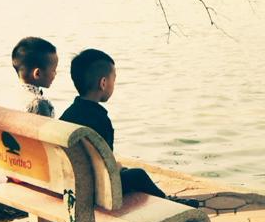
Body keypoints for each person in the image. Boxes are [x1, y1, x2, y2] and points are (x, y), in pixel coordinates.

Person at [59, 48, 195, 204]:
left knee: (127, 173)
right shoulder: (100, 119)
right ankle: (170, 203)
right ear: (103, 83)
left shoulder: (67, 114)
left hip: (69, 185)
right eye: (113, 80)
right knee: (137, 175)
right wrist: (118, 169)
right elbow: (106, 167)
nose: (113, 84)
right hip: (95, 191)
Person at [11, 36, 58, 117]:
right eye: (53, 70)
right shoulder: (39, 104)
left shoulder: (13, 95)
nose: (56, 73)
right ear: (37, 74)